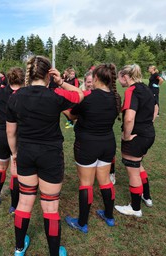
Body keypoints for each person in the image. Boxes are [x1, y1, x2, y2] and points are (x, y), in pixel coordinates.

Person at [6, 56, 84, 256]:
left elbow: (10, 132)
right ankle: (54, 252)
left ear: (29, 74)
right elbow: (80, 95)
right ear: (49, 74)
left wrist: (14, 154)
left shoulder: (15, 96)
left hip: (26, 153)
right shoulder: (55, 94)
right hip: (50, 155)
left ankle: (19, 248)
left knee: (24, 202)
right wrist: (61, 81)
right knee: (50, 207)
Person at [64, 64, 121, 233]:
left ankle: (82, 223)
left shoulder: (87, 96)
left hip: (87, 145)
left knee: (86, 183)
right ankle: (109, 216)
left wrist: (61, 106)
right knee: (105, 181)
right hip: (107, 143)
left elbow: (71, 115)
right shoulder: (116, 97)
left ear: (95, 78)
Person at [115, 64, 158, 217]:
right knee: (139, 166)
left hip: (137, 137)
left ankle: (135, 208)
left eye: (119, 77)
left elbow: (129, 118)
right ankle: (147, 197)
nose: (118, 81)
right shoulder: (146, 88)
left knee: (133, 171)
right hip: (149, 134)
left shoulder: (131, 90)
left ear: (125, 76)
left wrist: (126, 136)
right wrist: (147, 124)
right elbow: (155, 108)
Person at [0, 67, 24, 215]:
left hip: (1, 134)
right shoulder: (25, 94)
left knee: (0, 166)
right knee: (15, 171)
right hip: (19, 135)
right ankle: (14, 206)